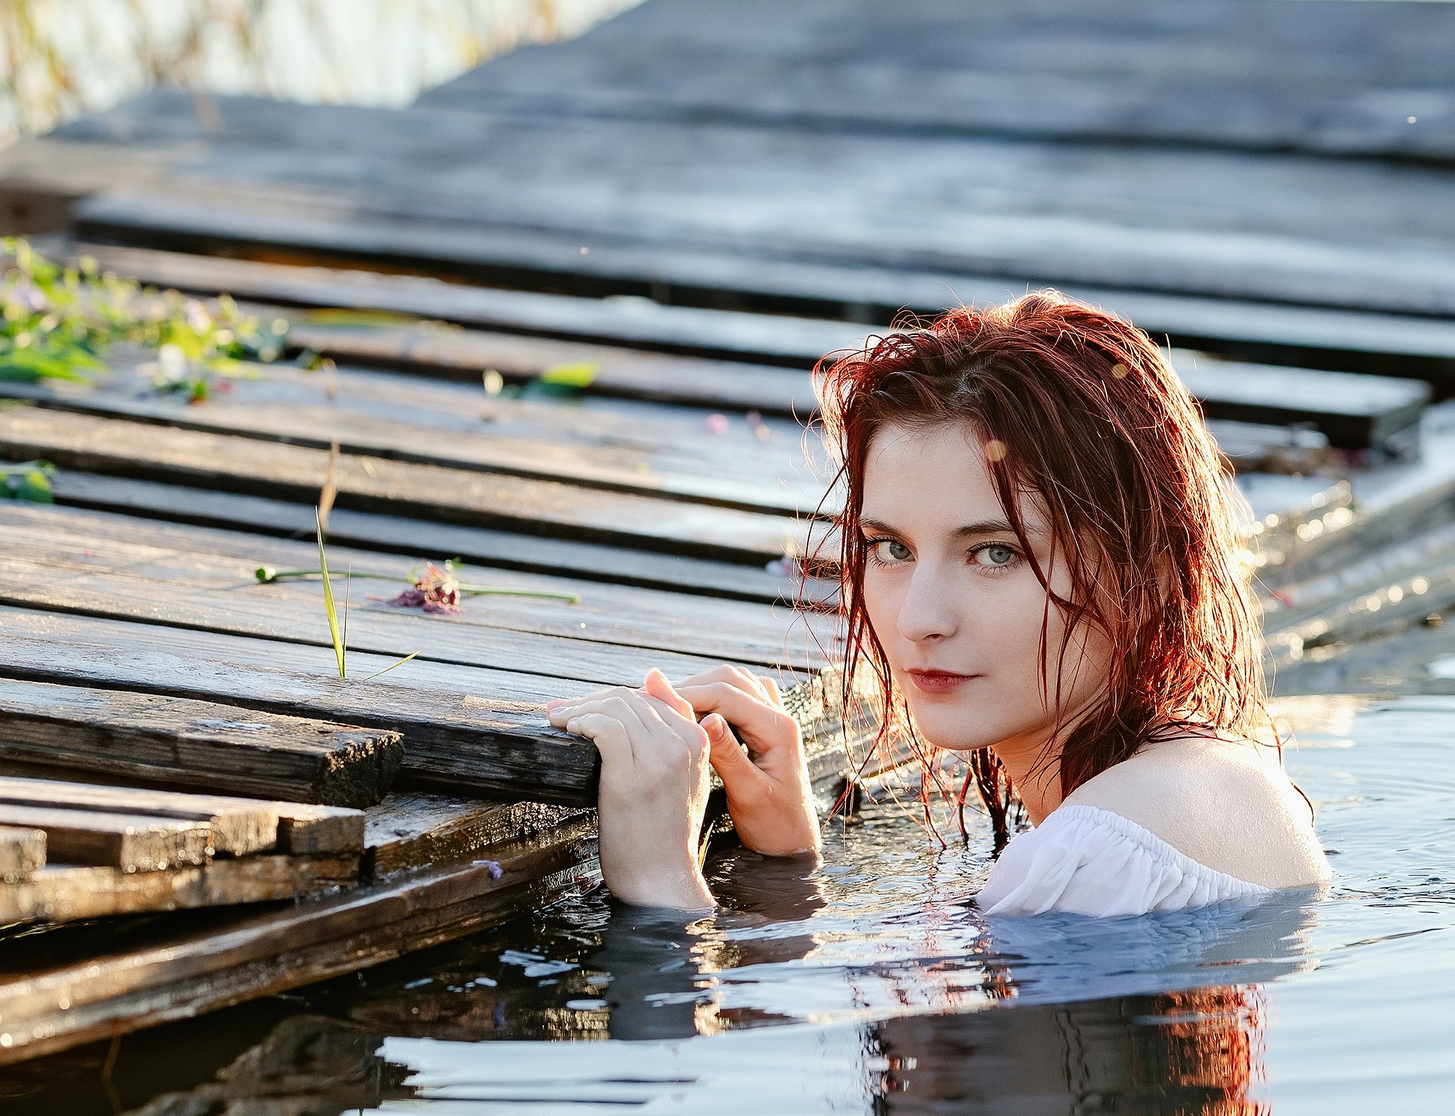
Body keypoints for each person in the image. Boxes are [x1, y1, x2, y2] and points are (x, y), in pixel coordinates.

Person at [543, 291, 1328, 916]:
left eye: (996, 553)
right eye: (891, 547)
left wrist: (658, 887)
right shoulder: (1230, 783)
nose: (920, 617)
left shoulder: (1094, 853)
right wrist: (790, 868)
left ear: (1148, 575)